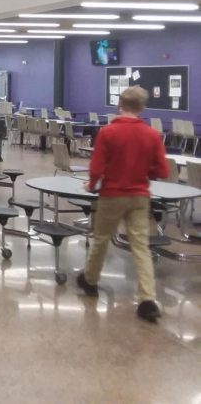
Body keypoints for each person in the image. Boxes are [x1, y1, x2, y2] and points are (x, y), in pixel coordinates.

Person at [77, 86, 168, 323]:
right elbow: (162, 170)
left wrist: (92, 183)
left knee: (101, 239)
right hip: (139, 196)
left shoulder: (108, 133)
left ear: (120, 104)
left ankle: (90, 280)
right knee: (140, 246)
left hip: (112, 194)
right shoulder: (152, 135)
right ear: (143, 107)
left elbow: (96, 168)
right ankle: (147, 299)